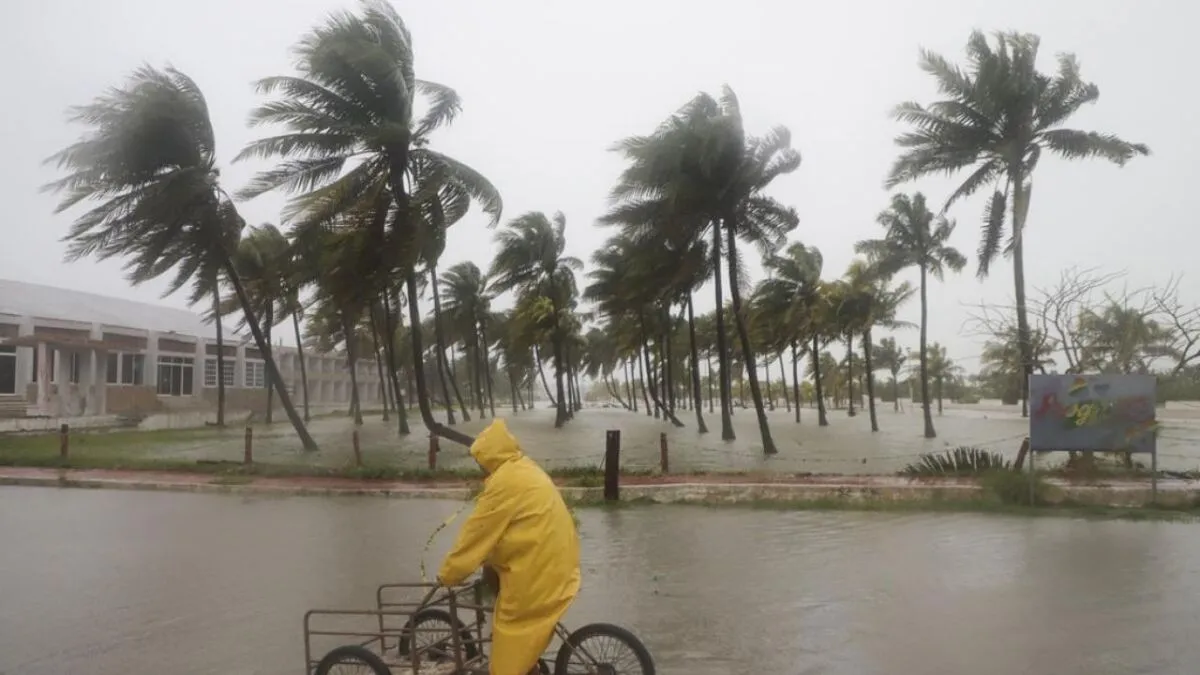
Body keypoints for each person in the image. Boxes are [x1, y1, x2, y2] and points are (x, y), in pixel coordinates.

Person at [437, 419, 581, 675]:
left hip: (538, 574)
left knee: (507, 654)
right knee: (495, 575)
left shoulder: (503, 484)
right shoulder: (525, 467)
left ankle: (518, 666)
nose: (479, 466)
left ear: (489, 457)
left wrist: (449, 574)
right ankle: (531, 663)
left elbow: (475, 535)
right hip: (560, 561)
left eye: (480, 460)